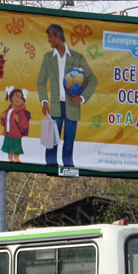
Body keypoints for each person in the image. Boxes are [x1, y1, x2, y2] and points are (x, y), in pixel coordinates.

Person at [36, 23, 97, 168]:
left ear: (58, 36)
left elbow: (92, 80)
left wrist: (81, 98)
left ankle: (68, 166)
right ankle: (50, 166)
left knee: (69, 140)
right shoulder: (48, 58)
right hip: (54, 107)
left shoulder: (77, 57)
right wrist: (44, 101)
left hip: (72, 106)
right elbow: (41, 82)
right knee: (51, 141)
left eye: (50, 36)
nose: (49, 40)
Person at [0, 87, 30, 163]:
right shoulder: (8, 110)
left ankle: (17, 159)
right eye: (17, 96)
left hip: (16, 135)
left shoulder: (21, 112)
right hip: (8, 134)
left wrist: (18, 120)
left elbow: (25, 125)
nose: (19, 99)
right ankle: (10, 159)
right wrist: (2, 118)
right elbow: (3, 124)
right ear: (11, 98)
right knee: (9, 150)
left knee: (16, 150)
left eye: (21, 97)